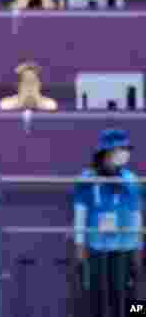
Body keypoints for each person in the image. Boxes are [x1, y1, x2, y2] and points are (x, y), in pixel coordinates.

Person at [73, 128, 142, 317]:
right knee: (97, 297)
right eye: (120, 149)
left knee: (130, 299)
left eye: (126, 149)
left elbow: (136, 216)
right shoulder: (87, 178)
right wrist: (79, 246)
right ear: (105, 152)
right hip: (97, 248)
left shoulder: (131, 180)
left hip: (125, 248)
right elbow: (80, 213)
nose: (124, 154)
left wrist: (138, 248)